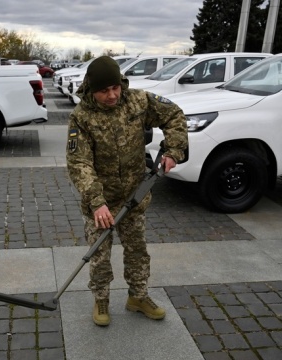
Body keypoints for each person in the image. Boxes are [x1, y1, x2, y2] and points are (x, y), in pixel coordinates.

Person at [65, 56, 188, 326]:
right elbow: (79, 163)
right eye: (103, 91)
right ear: (91, 89)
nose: (111, 95)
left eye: (115, 88)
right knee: (99, 255)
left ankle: (138, 297)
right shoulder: (82, 117)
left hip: (134, 194)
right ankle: (101, 300)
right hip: (101, 200)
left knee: (137, 251)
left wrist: (173, 150)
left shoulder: (138, 100)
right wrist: (97, 202)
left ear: (121, 83)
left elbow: (175, 115)